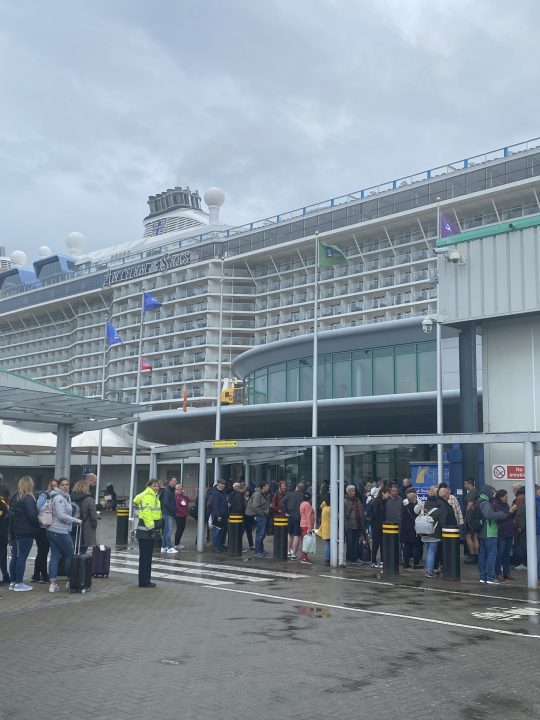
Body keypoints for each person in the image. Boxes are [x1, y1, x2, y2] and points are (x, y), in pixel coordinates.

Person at [47, 477, 82, 593]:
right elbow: (61, 516)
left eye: (67, 484)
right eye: (63, 485)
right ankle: (69, 580)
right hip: (59, 530)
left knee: (55, 556)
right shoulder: (59, 498)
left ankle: (52, 584)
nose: (65, 486)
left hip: (53, 530)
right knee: (69, 555)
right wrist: (75, 520)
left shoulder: (64, 497)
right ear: (58, 486)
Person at [477, 484, 515, 585]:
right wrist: (502, 514)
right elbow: (489, 515)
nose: (493, 494)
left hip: (481, 532)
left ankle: (482, 577)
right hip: (489, 532)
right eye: (492, 492)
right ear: (488, 492)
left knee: (482, 555)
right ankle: (490, 577)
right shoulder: (486, 503)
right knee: (491, 555)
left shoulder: (479, 501)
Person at [8, 476, 39, 591]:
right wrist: (37, 524)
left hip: (15, 531)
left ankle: (13, 582)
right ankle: (19, 583)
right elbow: (32, 516)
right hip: (26, 532)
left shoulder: (14, 496)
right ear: (30, 485)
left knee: (15, 557)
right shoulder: (28, 498)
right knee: (22, 557)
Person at [134, 479, 162, 588]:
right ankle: (144, 581)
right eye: (154, 486)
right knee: (145, 557)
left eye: (157, 486)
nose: (156, 488)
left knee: (146, 557)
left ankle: (145, 580)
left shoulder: (153, 496)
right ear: (149, 486)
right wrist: (151, 528)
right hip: (147, 531)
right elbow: (147, 514)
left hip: (148, 530)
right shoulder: (148, 497)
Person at [32, 479, 58, 583]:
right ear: (49, 486)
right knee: (43, 551)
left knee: (42, 551)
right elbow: (37, 507)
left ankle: (36, 575)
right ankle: (43, 575)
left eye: (56, 486)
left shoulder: (54, 496)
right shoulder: (45, 495)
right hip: (42, 527)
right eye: (53, 485)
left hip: (46, 527)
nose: (54, 488)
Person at [415, 486, 441, 578]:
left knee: (428, 552)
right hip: (435, 533)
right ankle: (429, 571)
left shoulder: (424, 505)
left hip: (424, 532)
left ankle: (429, 569)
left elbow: (416, 511)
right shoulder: (438, 506)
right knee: (432, 552)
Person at [71, 479, 98, 554]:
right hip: (85, 528)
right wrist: (94, 524)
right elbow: (93, 515)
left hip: (72, 526)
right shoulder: (89, 499)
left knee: (73, 549)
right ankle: (80, 565)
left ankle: (72, 565)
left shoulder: (71, 498)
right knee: (82, 551)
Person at [493, 489, 514, 581]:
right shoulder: (495, 506)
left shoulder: (506, 505)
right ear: (501, 497)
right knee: (500, 553)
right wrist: (510, 512)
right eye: (505, 496)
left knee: (507, 554)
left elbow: (509, 517)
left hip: (509, 532)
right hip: (501, 533)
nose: (507, 498)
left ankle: (506, 572)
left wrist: (513, 512)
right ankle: (498, 573)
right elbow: (501, 518)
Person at [246, 481, 270, 558]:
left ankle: (261, 549)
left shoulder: (264, 495)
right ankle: (258, 551)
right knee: (260, 534)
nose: (268, 488)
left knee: (262, 534)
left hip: (263, 515)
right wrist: (263, 514)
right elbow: (255, 507)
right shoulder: (257, 494)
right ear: (263, 487)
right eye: (267, 486)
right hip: (260, 516)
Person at [400, 487, 423, 569]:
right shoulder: (418, 505)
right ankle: (416, 563)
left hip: (405, 528)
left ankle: (406, 563)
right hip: (415, 528)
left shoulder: (403, 504)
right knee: (415, 546)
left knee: (406, 546)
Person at [344, 484, 367, 564]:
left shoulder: (357, 500)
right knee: (350, 542)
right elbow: (344, 514)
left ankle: (356, 557)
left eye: (354, 490)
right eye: (352, 491)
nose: (354, 492)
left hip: (358, 523)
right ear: (348, 492)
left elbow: (361, 511)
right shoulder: (345, 500)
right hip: (349, 524)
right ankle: (349, 558)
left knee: (356, 542)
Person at [280, 483, 304, 559]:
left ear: (296, 487)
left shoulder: (289, 494)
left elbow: (281, 502)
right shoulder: (303, 496)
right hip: (298, 517)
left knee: (289, 534)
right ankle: (294, 554)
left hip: (289, 516)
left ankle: (288, 551)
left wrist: (286, 511)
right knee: (297, 535)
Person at [370, 487, 390, 568]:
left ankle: (382, 561)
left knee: (382, 544)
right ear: (383, 493)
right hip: (376, 525)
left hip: (383, 525)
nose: (389, 495)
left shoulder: (386, 502)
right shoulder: (377, 502)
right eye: (387, 493)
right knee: (376, 544)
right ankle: (373, 561)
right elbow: (374, 514)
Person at [207, 479, 228, 552]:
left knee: (220, 531)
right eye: (222, 484)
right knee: (217, 531)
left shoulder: (222, 492)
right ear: (218, 484)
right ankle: (215, 547)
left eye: (224, 484)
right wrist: (218, 515)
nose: (223, 485)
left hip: (223, 515)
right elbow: (215, 505)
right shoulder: (216, 493)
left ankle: (219, 546)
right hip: (218, 515)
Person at [160, 477, 178, 554]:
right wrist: (173, 510)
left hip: (167, 513)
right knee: (168, 531)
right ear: (170, 481)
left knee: (166, 530)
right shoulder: (168, 491)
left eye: (176, 481)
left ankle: (164, 546)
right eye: (174, 481)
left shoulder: (169, 490)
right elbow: (166, 503)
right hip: (168, 513)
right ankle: (169, 547)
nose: (175, 483)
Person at [464, 478, 480, 564]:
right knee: (475, 536)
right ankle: (477, 555)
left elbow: (469, 505)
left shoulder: (470, 493)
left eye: (465, 484)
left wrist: (466, 516)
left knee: (468, 536)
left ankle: (472, 555)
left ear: (469, 484)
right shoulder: (477, 492)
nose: (464, 486)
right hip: (477, 518)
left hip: (470, 518)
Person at [299, 491, 315, 564]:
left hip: (302, 524)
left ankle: (303, 556)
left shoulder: (302, 504)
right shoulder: (308, 505)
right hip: (306, 525)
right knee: (307, 542)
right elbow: (308, 517)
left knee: (304, 541)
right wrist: (309, 527)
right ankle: (304, 557)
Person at [0, 484, 11, 585]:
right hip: (3, 531)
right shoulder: (7, 502)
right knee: (2, 555)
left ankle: (5, 576)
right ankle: (6, 576)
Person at [173, 484, 190, 549]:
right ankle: (176, 544)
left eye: (181, 489)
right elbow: (176, 507)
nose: (180, 490)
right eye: (179, 489)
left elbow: (188, 500)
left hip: (183, 515)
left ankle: (178, 543)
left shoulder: (182, 496)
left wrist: (185, 494)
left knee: (182, 529)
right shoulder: (176, 496)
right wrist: (183, 512)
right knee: (179, 529)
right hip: (178, 515)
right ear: (176, 490)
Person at [316, 493, 331, 566]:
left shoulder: (324, 507)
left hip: (324, 527)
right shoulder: (329, 509)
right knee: (328, 543)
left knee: (327, 542)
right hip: (329, 528)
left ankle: (327, 557)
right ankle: (327, 557)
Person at [242, 487, 255, 551]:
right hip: (243, 517)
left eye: (248, 491)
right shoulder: (241, 498)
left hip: (249, 517)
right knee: (241, 531)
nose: (248, 492)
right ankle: (239, 544)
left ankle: (251, 545)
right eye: (246, 491)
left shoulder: (251, 498)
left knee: (249, 532)